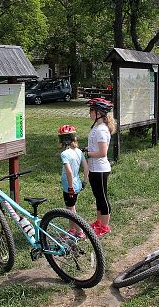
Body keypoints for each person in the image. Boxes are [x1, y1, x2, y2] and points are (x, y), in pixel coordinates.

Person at [84, 98, 116, 237]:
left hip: (100, 169)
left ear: (98, 113)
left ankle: (105, 226)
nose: (89, 113)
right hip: (94, 168)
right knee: (98, 197)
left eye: (91, 110)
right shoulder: (97, 127)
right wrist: (88, 149)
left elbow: (102, 153)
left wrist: (87, 153)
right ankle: (99, 222)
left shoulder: (102, 130)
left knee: (102, 198)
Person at [58, 125, 89, 238]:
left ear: (62, 140)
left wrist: (70, 188)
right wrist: (85, 181)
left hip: (69, 186)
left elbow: (69, 172)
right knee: (71, 207)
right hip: (78, 183)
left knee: (71, 210)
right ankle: (71, 229)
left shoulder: (64, 154)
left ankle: (80, 231)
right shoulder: (78, 151)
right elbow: (86, 167)